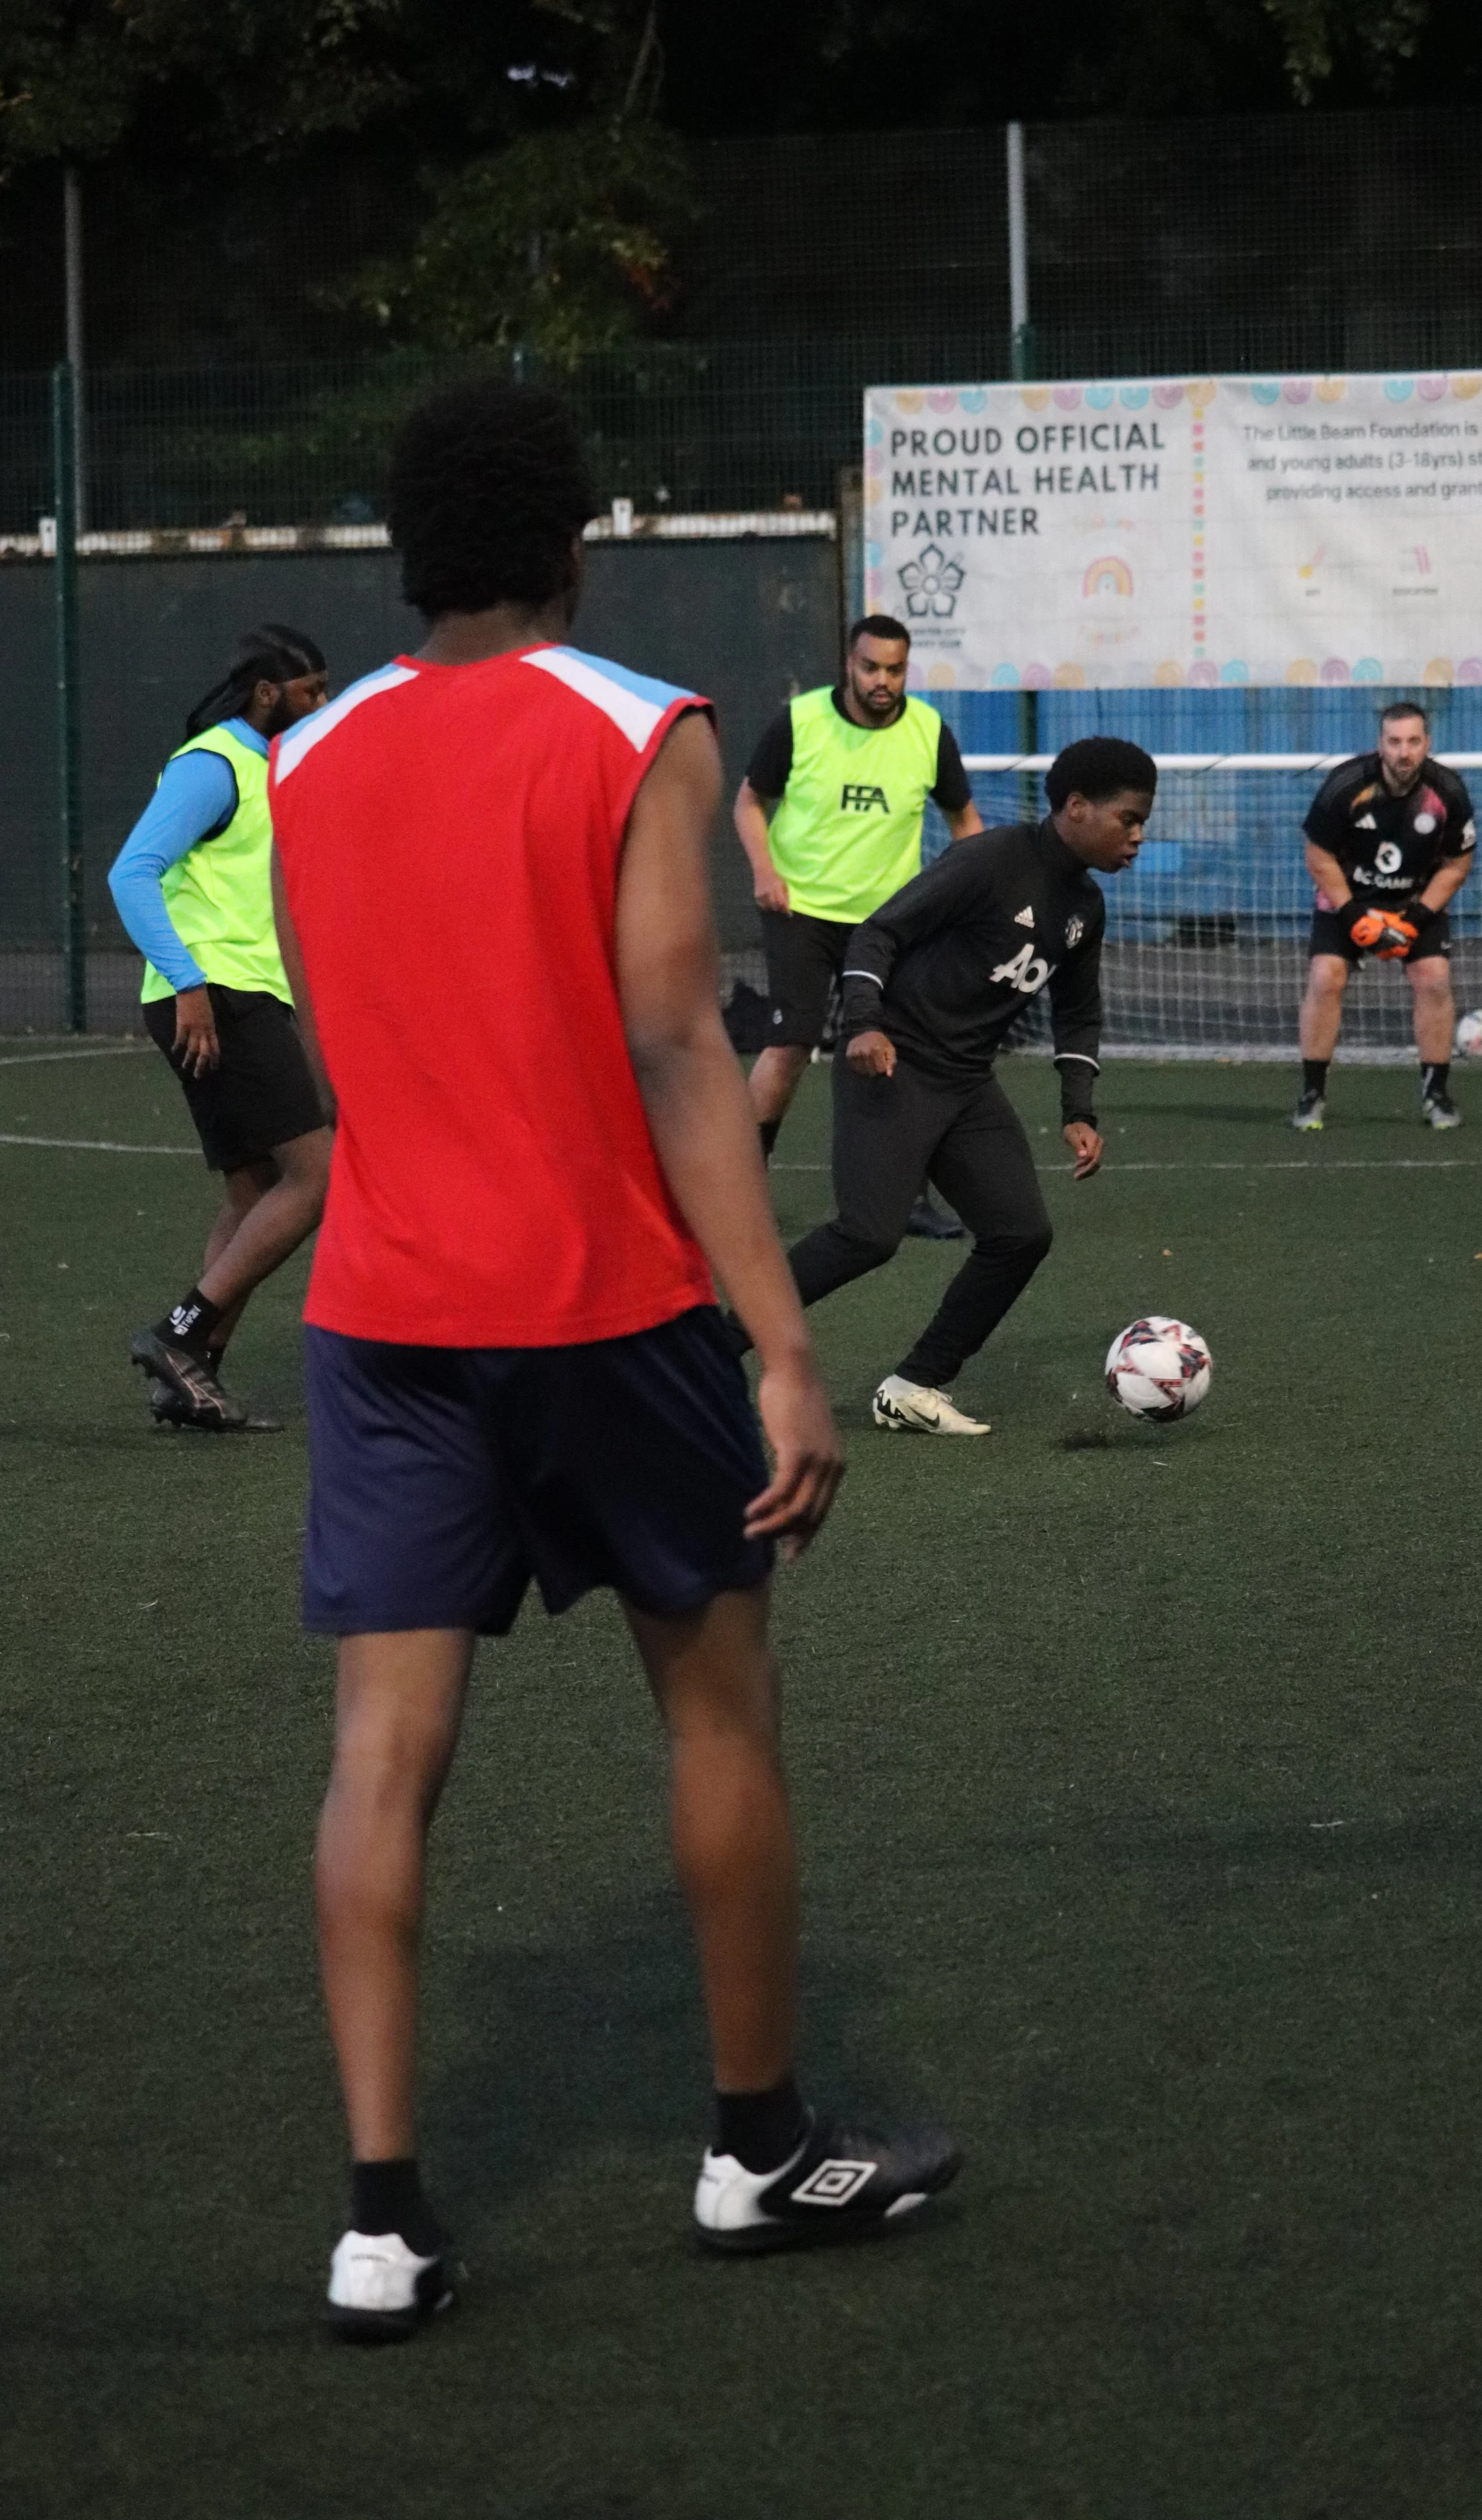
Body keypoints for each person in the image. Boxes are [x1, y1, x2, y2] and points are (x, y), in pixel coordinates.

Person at [268, 381, 960, 2343]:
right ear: (573, 541)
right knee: (719, 1715)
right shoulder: (633, 728)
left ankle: (379, 2225)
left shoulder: (308, 751)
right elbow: (675, 1046)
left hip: (384, 1321)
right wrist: (783, 1344)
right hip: (602, 1309)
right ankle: (755, 2149)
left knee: (378, 1759)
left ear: (408, 553)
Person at [730, 737, 1153, 1437]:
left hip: (964, 1080)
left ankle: (915, 1384)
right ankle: (710, 1355)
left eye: (1142, 821)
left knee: (1020, 1234)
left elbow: (1078, 1012)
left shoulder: (1085, 908)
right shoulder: (988, 861)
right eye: (1128, 819)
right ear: (1076, 809)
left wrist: (1078, 1110)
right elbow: (877, 933)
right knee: (867, 1234)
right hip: (891, 1061)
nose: (1138, 835)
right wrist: (863, 1024)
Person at [109, 626, 334, 1430]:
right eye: (311, 689)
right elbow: (131, 872)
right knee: (317, 1173)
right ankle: (180, 1337)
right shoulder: (216, 762)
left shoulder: (275, 766)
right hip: (213, 995)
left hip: (239, 992)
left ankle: (194, 1373)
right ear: (267, 694)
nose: (322, 702)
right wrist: (189, 984)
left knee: (258, 1185)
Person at [736, 614, 984, 1238]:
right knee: (790, 1046)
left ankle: (907, 1200)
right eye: (871, 667)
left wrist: (960, 897)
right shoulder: (801, 722)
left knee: (896, 1051)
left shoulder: (928, 731)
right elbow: (748, 803)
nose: (883, 680)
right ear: (849, 663)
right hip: (802, 911)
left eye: (895, 670)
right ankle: (734, 1191)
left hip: (889, 922)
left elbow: (966, 824)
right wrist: (764, 870)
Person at [1291, 701, 1478, 1133]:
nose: (1404, 752)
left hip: (1416, 901)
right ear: (1381, 745)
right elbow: (1318, 857)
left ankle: (1436, 1094)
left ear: (1427, 744)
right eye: (1394, 742)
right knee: (1326, 977)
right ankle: (1312, 1093)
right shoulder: (1346, 786)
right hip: (1347, 899)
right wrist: (1354, 914)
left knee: (1433, 978)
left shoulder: (1447, 791)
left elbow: (1457, 863)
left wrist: (1415, 918)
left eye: (1413, 741)